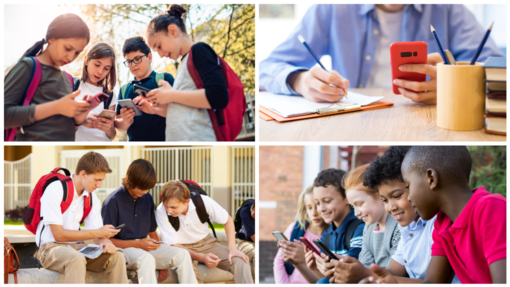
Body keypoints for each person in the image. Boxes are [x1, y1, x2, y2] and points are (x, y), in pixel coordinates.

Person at [260, 4, 504, 105]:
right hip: (356, 116)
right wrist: (299, 80)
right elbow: (267, 67)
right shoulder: (331, 9)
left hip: (429, 120)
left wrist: (457, 84)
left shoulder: (450, 10)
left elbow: (499, 73)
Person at [400, 146, 506, 283]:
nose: (408, 198)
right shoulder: (442, 224)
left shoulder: (491, 208)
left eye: (408, 186)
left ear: (431, 179)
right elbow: (432, 283)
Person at [357, 146, 459, 284]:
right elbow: (393, 271)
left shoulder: (440, 223)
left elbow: (433, 283)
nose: (391, 207)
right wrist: (361, 272)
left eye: (397, 196)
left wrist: (366, 275)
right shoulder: (408, 226)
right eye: (384, 200)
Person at [135, 4, 229, 141]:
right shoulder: (185, 63)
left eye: (159, 46)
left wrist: (172, 95)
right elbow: (186, 111)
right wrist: (154, 109)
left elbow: (219, 96)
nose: (160, 55)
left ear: (172, 31)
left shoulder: (199, 50)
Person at [35, 151, 127, 283]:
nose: (99, 185)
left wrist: (106, 242)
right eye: (97, 179)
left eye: (101, 180)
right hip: (50, 249)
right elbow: (58, 235)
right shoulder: (55, 189)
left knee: (117, 256)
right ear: (83, 174)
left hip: (78, 248)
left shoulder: (92, 198)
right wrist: (98, 232)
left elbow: (98, 236)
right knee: (76, 258)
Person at [101, 159, 197, 284]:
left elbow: (152, 232)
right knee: (146, 259)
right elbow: (109, 241)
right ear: (131, 181)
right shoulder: (112, 202)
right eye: (142, 188)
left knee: (183, 254)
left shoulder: (147, 198)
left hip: (144, 246)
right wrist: (138, 244)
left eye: (148, 188)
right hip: (123, 250)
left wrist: (163, 262)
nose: (145, 192)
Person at [4, 13, 92, 141]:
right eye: (68, 48)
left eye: (77, 53)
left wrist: (77, 120)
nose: (71, 57)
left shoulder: (68, 79)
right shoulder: (29, 66)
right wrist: (56, 107)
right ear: (52, 38)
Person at [155, 180, 253, 283]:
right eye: (166, 206)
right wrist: (202, 258)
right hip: (181, 248)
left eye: (173, 207)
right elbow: (173, 245)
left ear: (186, 202)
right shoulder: (161, 211)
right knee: (189, 274)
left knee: (240, 262)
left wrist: (233, 249)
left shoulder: (204, 201)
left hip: (207, 243)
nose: (168, 211)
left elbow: (227, 220)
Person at [331, 164, 400, 283]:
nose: (356, 213)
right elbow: (365, 263)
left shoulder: (398, 225)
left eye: (359, 204)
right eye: (353, 206)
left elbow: (396, 271)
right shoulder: (368, 228)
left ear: (380, 196)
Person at [305, 169, 365, 283]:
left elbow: (349, 272)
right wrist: (315, 267)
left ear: (347, 197)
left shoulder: (359, 229)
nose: (321, 209)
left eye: (327, 201)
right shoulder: (326, 235)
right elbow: (329, 278)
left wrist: (327, 264)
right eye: (317, 203)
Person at [114, 36, 174, 141]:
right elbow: (119, 125)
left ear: (150, 57)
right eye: (129, 61)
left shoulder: (164, 80)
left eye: (137, 59)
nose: (133, 65)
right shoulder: (124, 89)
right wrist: (126, 120)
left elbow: (179, 112)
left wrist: (156, 107)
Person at [273, 186, 329, 284]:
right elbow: (279, 262)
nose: (314, 213)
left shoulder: (333, 235)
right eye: (309, 207)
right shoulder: (294, 229)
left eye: (317, 206)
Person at [74, 42, 117, 141]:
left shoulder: (110, 95)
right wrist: (80, 121)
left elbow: (112, 135)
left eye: (106, 69)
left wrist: (108, 128)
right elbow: (59, 124)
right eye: (97, 65)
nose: (100, 72)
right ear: (86, 60)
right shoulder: (72, 85)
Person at [235, 199, 256, 278]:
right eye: (254, 213)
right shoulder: (244, 211)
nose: (254, 216)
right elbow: (253, 235)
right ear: (252, 207)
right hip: (243, 241)